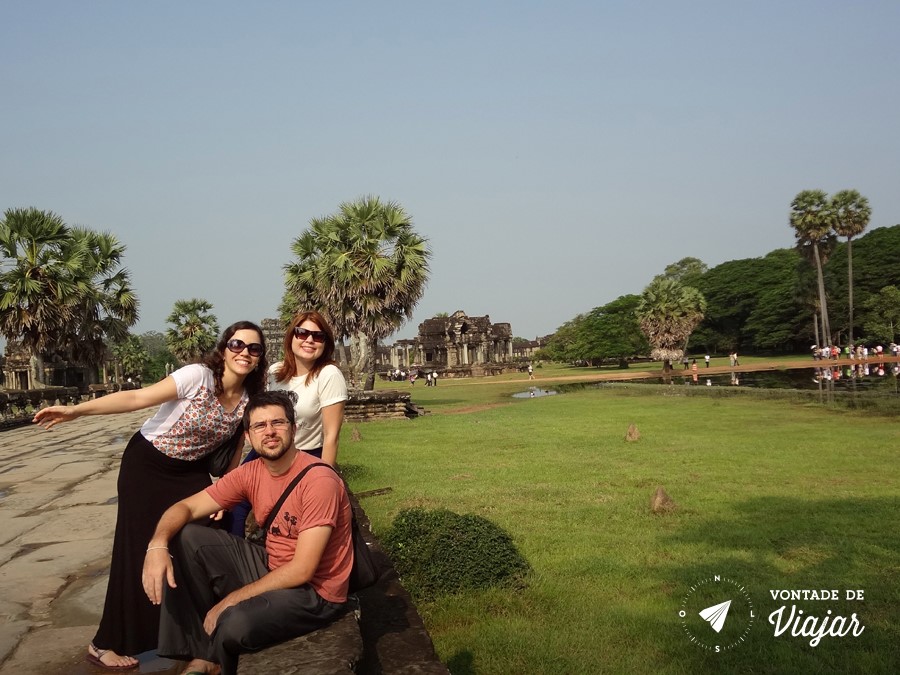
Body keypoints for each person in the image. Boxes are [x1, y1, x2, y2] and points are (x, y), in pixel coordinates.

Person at [32, 321, 268, 670]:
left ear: (260, 357)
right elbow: (137, 397)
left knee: (199, 541)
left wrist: (225, 495)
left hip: (190, 473)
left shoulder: (249, 400)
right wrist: (75, 411)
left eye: (254, 348)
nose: (244, 353)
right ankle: (104, 643)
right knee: (139, 549)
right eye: (237, 344)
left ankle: (194, 633)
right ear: (224, 348)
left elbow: (235, 453)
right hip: (148, 464)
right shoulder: (197, 376)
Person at [143, 391, 353, 675]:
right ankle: (202, 654)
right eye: (260, 426)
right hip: (272, 564)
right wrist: (157, 545)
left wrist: (229, 601)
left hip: (316, 591)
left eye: (278, 423)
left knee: (235, 621)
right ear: (249, 436)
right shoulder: (252, 471)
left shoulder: (319, 480)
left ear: (294, 428)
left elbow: (303, 570)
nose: (270, 432)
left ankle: (215, 658)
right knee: (187, 537)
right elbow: (186, 507)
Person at [229, 311, 347, 538]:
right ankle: (234, 559)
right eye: (302, 333)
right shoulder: (275, 372)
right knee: (235, 505)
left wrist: (326, 483)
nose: (309, 340)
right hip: (265, 452)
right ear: (291, 337)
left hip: (303, 456)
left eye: (318, 336)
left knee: (290, 520)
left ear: (326, 343)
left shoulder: (328, 375)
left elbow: (331, 436)